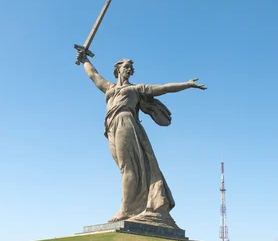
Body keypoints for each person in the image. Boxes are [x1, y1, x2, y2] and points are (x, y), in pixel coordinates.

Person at [76, 50, 206, 229]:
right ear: (118, 70)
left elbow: (164, 88)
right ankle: (134, 205)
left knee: (128, 167)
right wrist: (84, 60)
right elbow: (93, 75)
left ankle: (126, 209)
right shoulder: (109, 87)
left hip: (125, 122)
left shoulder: (136, 89)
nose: (129, 70)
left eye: (131, 68)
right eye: (126, 67)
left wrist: (187, 84)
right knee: (125, 168)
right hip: (111, 128)